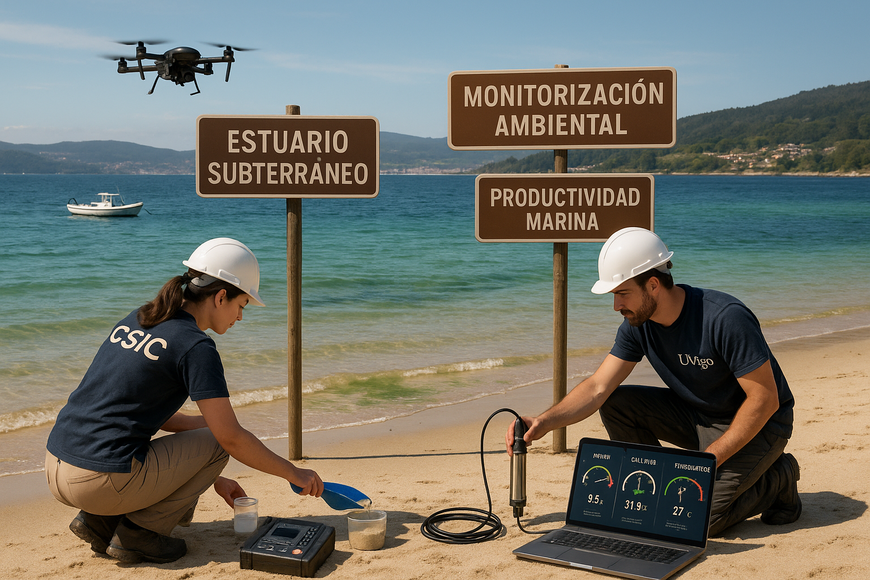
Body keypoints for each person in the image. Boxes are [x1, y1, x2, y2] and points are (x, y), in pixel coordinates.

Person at [506, 227, 800, 536]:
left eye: (622, 293)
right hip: (698, 416)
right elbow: (598, 387)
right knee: (618, 404)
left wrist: (709, 459)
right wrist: (543, 422)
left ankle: (779, 477)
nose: (616, 305)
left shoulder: (725, 318)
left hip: (762, 425)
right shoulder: (638, 325)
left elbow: (765, 399)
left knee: (693, 522)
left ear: (653, 285)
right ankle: (651, 488)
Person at [45, 238, 324, 564]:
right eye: (242, 305)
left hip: (56, 466)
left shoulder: (142, 317)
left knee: (207, 434)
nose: (240, 317)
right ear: (221, 297)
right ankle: (139, 534)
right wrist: (294, 473)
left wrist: (208, 473)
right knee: (218, 442)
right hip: (97, 482)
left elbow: (143, 412)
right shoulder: (195, 346)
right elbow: (230, 439)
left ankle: (98, 521)